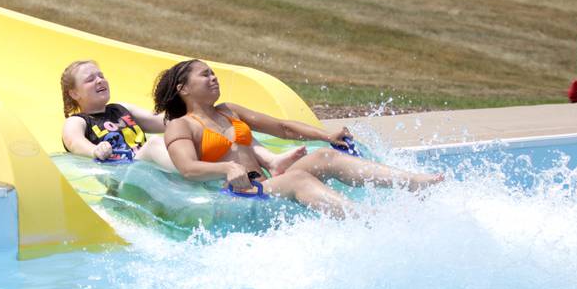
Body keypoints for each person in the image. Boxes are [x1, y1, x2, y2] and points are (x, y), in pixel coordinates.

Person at [153, 59, 444, 218]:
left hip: (264, 184)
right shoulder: (180, 126)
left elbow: (283, 127)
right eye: (205, 75)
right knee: (297, 180)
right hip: (234, 196)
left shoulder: (229, 111)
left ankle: (412, 183)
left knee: (323, 156)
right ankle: (368, 219)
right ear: (183, 88)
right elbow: (188, 168)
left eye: (214, 73)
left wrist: (325, 135)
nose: (214, 78)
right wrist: (226, 168)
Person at [60, 60, 306, 174]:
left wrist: (207, 113)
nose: (100, 80)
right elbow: (74, 142)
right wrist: (95, 150)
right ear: (74, 93)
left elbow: (162, 122)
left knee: (222, 126)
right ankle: (198, 171)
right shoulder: (78, 121)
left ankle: (272, 160)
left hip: (152, 166)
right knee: (155, 143)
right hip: (126, 169)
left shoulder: (120, 108)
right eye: (90, 79)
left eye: (101, 75)